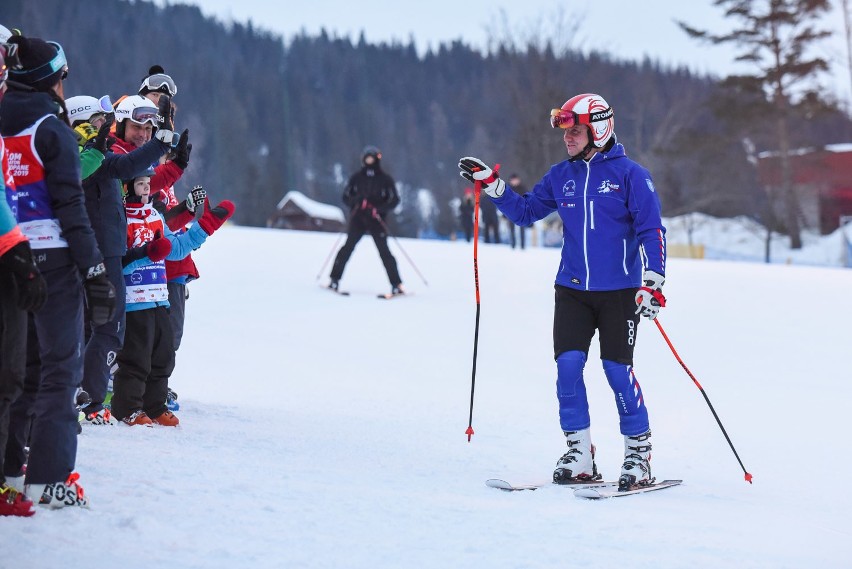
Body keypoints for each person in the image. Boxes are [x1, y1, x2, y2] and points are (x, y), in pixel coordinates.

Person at [458, 93, 667, 491]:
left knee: (617, 372)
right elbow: (525, 212)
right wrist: (493, 185)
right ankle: (579, 454)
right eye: (566, 132)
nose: (567, 138)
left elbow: (651, 228)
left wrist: (653, 281)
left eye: (575, 131)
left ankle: (638, 455)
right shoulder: (561, 176)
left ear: (598, 129)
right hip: (571, 289)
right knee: (568, 370)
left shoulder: (630, 175)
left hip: (620, 291)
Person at [1, 34, 117, 508]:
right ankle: (50, 478)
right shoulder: (53, 128)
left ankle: (12, 467)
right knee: (58, 372)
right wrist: (95, 272)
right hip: (52, 258)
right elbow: (71, 208)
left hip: (9, 255)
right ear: (51, 78)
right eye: (63, 77)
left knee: (18, 370)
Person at [70, 93, 180, 426]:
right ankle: (88, 399)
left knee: (93, 328)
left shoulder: (97, 155)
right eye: (102, 120)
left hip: (106, 250)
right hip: (97, 252)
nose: (108, 126)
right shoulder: (80, 156)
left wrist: (162, 143)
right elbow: (124, 167)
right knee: (107, 329)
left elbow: (128, 167)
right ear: (85, 123)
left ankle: (82, 396)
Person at [113, 169, 231, 426]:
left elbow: (175, 250)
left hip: (159, 297)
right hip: (134, 300)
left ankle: (155, 406)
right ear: (127, 188)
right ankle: (128, 407)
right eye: (140, 184)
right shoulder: (120, 218)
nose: (146, 189)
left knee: (163, 355)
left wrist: (205, 228)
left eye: (147, 184)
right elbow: (117, 261)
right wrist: (147, 254)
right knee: (137, 358)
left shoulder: (155, 215)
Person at [0, 39, 46, 517]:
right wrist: (18, 251)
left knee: (13, 372)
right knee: (9, 373)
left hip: (11, 250)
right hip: (9, 252)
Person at [328, 145, 404, 295]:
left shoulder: (385, 179)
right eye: (367, 158)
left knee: (384, 252)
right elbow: (346, 197)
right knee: (347, 248)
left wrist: (379, 208)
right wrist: (357, 201)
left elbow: (394, 200)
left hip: (377, 220)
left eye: (372, 158)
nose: (369, 161)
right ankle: (334, 279)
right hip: (358, 219)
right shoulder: (356, 178)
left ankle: (396, 284)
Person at [506, 174, 528, 249]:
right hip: (511, 211)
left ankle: (522, 245)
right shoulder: (508, 189)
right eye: (512, 180)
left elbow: (527, 198)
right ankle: (513, 244)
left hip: (521, 211)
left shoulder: (523, 188)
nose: (514, 182)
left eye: (515, 180)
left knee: (522, 228)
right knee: (511, 229)